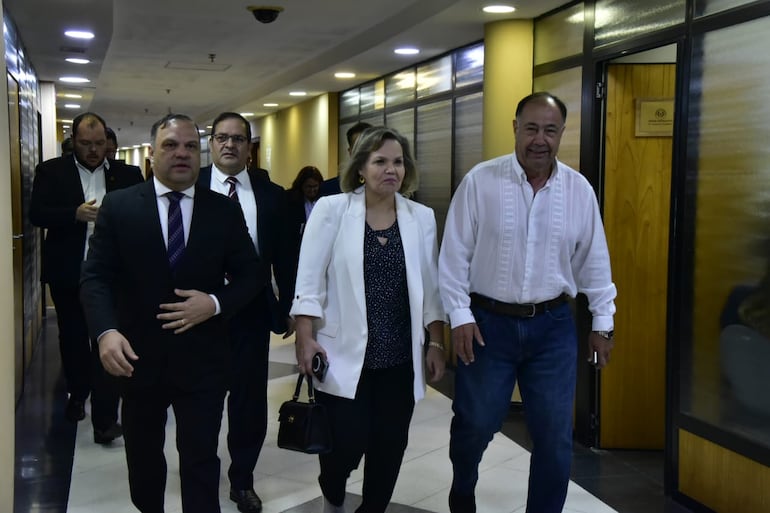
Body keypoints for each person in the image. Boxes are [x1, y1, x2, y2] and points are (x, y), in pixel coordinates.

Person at [438, 92, 617, 513]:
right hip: (486, 325)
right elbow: (453, 257)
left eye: (550, 130)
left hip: (552, 326)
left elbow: (594, 260)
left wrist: (602, 322)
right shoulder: (480, 181)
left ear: (561, 134)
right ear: (515, 128)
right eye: (532, 128)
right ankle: (463, 485)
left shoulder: (578, 190)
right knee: (476, 425)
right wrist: (459, 317)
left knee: (554, 435)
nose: (540, 139)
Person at [79, 113, 261, 513]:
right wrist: (106, 331)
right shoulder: (121, 206)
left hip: (204, 361)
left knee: (200, 460)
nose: (182, 154)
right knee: (144, 462)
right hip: (137, 360)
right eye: (170, 145)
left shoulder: (223, 211)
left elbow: (252, 277)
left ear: (200, 154)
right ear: (151, 153)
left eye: (191, 146)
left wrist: (213, 303)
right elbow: (95, 278)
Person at [291, 126, 446, 513]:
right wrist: (305, 337)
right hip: (344, 355)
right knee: (345, 443)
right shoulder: (332, 210)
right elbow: (309, 281)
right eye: (380, 161)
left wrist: (436, 341)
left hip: (398, 358)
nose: (390, 170)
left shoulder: (420, 217)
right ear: (361, 167)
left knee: (390, 446)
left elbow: (431, 288)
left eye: (397, 162)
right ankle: (333, 490)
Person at [198, 112, 296, 513]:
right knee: (200, 400)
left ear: (249, 146)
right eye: (222, 137)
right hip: (199, 312)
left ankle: (242, 480)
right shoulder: (191, 186)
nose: (229, 145)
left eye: (238, 139)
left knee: (248, 401)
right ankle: (201, 476)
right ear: (211, 143)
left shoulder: (272, 195)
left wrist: (291, 306)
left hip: (252, 311)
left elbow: (289, 258)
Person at [30, 112, 142, 444]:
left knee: (107, 339)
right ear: (72, 140)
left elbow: (142, 216)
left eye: (98, 144)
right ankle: (78, 394)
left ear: (108, 142)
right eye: (85, 144)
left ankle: (105, 418)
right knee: (73, 336)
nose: (93, 150)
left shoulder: (128, 175)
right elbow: (37, 214)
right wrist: (73, 214)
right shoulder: (51, 171)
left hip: (113, 276)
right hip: (69, 270)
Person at [319, 121, 372, 196]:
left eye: (369, 145)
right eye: (359, 147)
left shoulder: (390, 185)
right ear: (350, 152)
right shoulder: (330, 190)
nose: (365, 151)